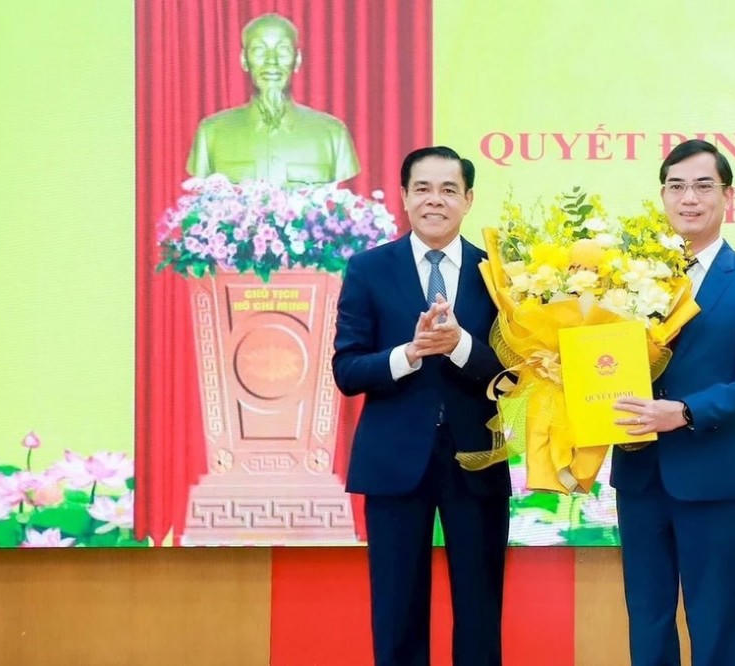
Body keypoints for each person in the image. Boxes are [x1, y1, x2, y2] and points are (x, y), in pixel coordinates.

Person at [611, 139, 735, 666]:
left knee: (717, 623)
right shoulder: (624, 277)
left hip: (713, 476)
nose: (689, 198)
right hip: (640, 474)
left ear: (728, 196)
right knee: (647, 619)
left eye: (703, 186)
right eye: (677, 186)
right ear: (663, 196)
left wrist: (686, 412)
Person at [333, 146, 509, 666]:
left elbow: (515, 372)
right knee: (397, 611)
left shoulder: (498, 273)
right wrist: (409, 353)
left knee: (479, 612)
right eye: (423, 189)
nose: (436, 200)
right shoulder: (368, 269)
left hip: (476, 459)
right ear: (405, 197)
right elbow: (347, 371)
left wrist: (459, 345)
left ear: (468, 199)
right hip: (393, 463)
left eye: (449, 189)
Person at [186, 13, 358, 185]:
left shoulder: (333, 134)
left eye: (283, 50)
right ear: (244, 60)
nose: (271, 61)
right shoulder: (211, 132)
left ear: (297, 60)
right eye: (259, 50)